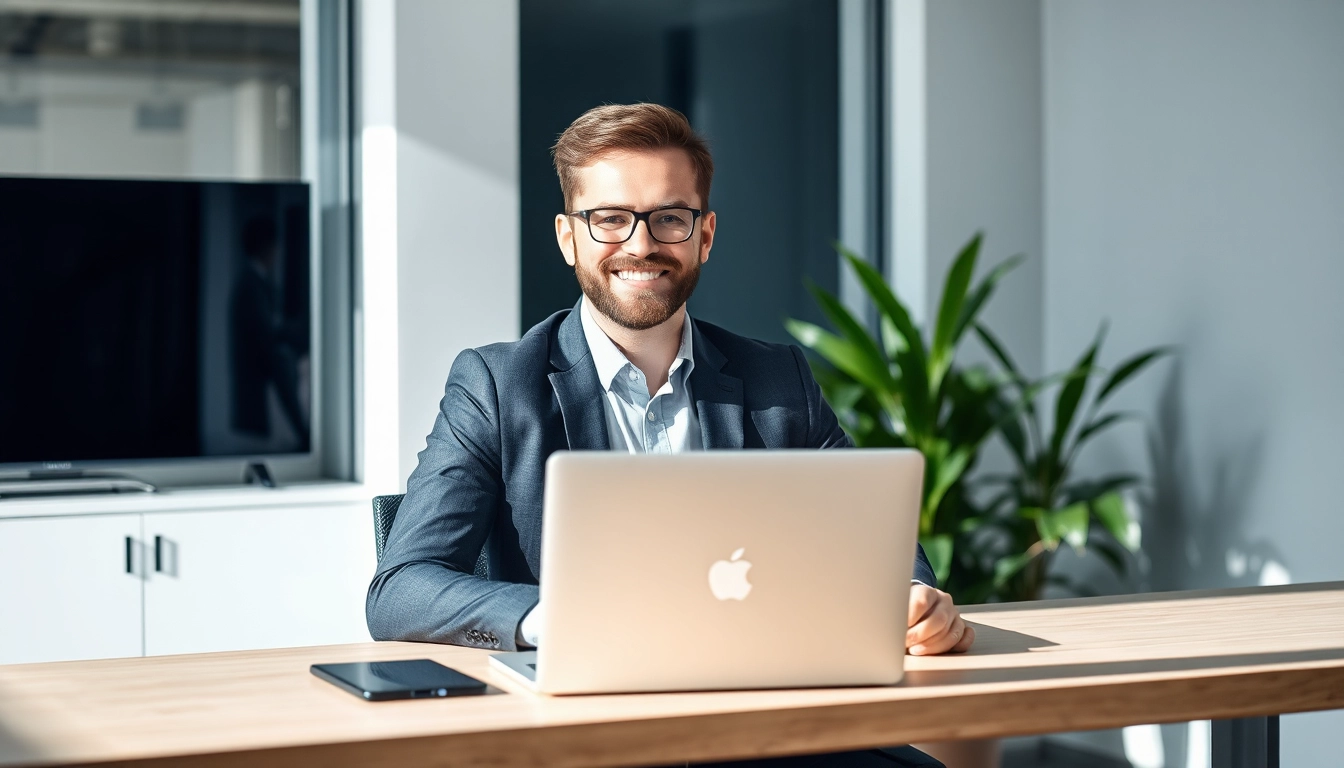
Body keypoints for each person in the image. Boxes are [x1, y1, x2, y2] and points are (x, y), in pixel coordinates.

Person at [367, 104, 972, 767]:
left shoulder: (777, 379)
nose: (640, 243)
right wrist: (562, 618)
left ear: (704, 235)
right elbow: (400, 590)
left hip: (765, 728)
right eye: (609, 219)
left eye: (669, 218)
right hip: (585, 742)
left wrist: (916, 601)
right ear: (569, 238)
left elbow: (877, 547)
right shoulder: (494, 384)